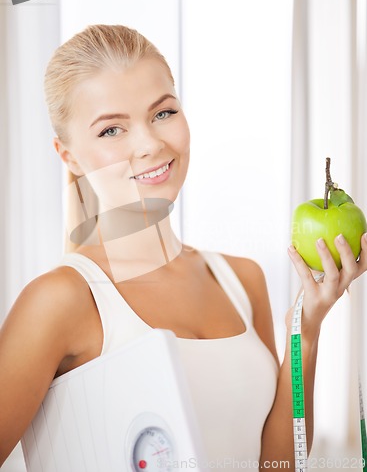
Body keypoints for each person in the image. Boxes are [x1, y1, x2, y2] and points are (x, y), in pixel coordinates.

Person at [0, 24, 366, 471]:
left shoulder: (240, 278)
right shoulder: (61, 300)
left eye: (162, 113)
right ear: (68, 156)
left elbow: (277, 466)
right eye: (112, 131)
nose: (150, 144)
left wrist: (305, 329)